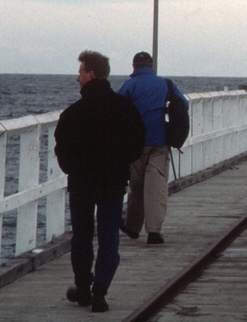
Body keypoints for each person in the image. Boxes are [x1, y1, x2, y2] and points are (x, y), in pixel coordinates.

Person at [54, 50, 145, 313]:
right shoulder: (125, 108)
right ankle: (100, 292)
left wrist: (73, 169)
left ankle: (83, 289)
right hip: (113, 183)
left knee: (81, 238)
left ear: (91, 74)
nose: (77, 78)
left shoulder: (72, 113)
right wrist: (120, 166)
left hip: (81, 184)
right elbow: (137, 144)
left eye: (80, 72)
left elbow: (62, 148)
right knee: (109, 239)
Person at [118, 51, 188, 245]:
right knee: (156, 187)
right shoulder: (166, 84)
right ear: (151, 65)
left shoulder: (129, 85)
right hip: (160, 142)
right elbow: (184, 104)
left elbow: (116, 111)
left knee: (137, 186)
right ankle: (154, 232)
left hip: (135, 144)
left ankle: (133, 226)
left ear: (134, 66)